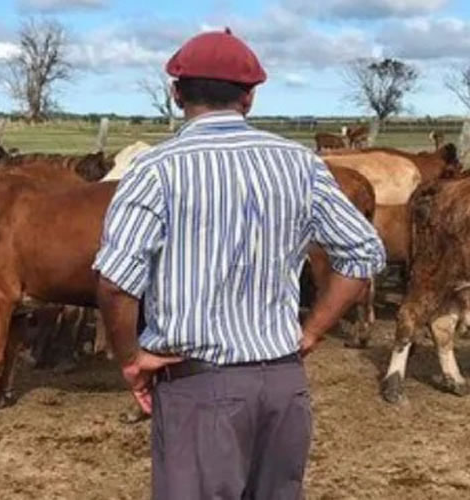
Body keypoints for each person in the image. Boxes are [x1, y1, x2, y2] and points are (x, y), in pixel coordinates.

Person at [93, 28, 386, 499]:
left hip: (198, 383)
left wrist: (130, 359)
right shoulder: (300, 164)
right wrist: (311, 331)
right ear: (249, 98)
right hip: (283, 384)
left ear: (176, 93)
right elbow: (363, 251)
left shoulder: (155, 169)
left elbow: (114, 284)